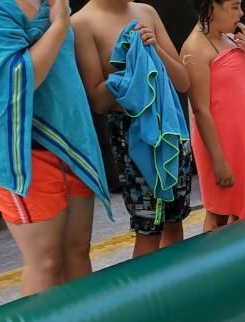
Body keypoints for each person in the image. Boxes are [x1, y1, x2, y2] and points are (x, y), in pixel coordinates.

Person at [0, 0, 111, 296]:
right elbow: (14, 80)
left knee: (78, 250)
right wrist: (60, 23)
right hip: (18, 148)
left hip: (70, 139)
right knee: (46, 261)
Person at [72, 0, 192, 257]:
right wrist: (131, 74)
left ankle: (180, 291)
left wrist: (155, 50)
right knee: (149, 228)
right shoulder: (82, 23)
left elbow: (182, 81)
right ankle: (148, 297)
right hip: (132, 136)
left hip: (170, 129)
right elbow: (98, 100)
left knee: (175, 220)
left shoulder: (146, 12)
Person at [182, 0, 245, 231]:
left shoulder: (233, 40)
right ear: (212, 7)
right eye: (234, 7)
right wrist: (218, 161)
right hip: (221, 143)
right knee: (219, 213)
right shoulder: (195, 49)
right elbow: (200, 110)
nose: (241, 13)